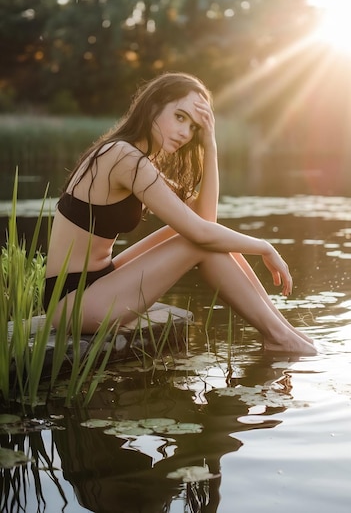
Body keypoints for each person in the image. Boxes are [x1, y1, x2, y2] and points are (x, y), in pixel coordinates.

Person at [44, 72, 316, 354]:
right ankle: (279, 337)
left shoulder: (136, 159)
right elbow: (200, 232)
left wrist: (210, 144)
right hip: (72, 304)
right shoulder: (122, 157)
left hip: (98, 281)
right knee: (195, 240)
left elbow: (204, 221)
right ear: (152, 106)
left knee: (192, 234)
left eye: (194, 128)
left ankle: (283, 331)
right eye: (180, 117)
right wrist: (264, 247)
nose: (186, 133)